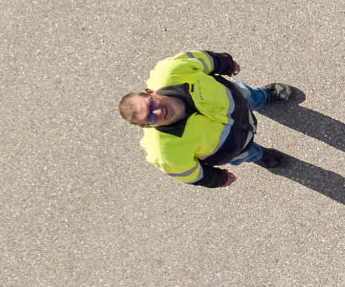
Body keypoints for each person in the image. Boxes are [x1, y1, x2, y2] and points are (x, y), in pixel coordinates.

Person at [119, 49, 302, 187]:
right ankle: (261, 156)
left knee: (250, 95)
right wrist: (219, 179)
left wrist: (228, 65)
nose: (158, 112)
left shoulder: (171, 70)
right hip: (234, 147)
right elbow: (192, 174)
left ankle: (265, 96)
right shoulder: (165, 153)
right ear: (148, 127)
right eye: (150, 117)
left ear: (150, 92)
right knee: (248, 153)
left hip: (238, 99)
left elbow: (205, 59)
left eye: (151, 105)